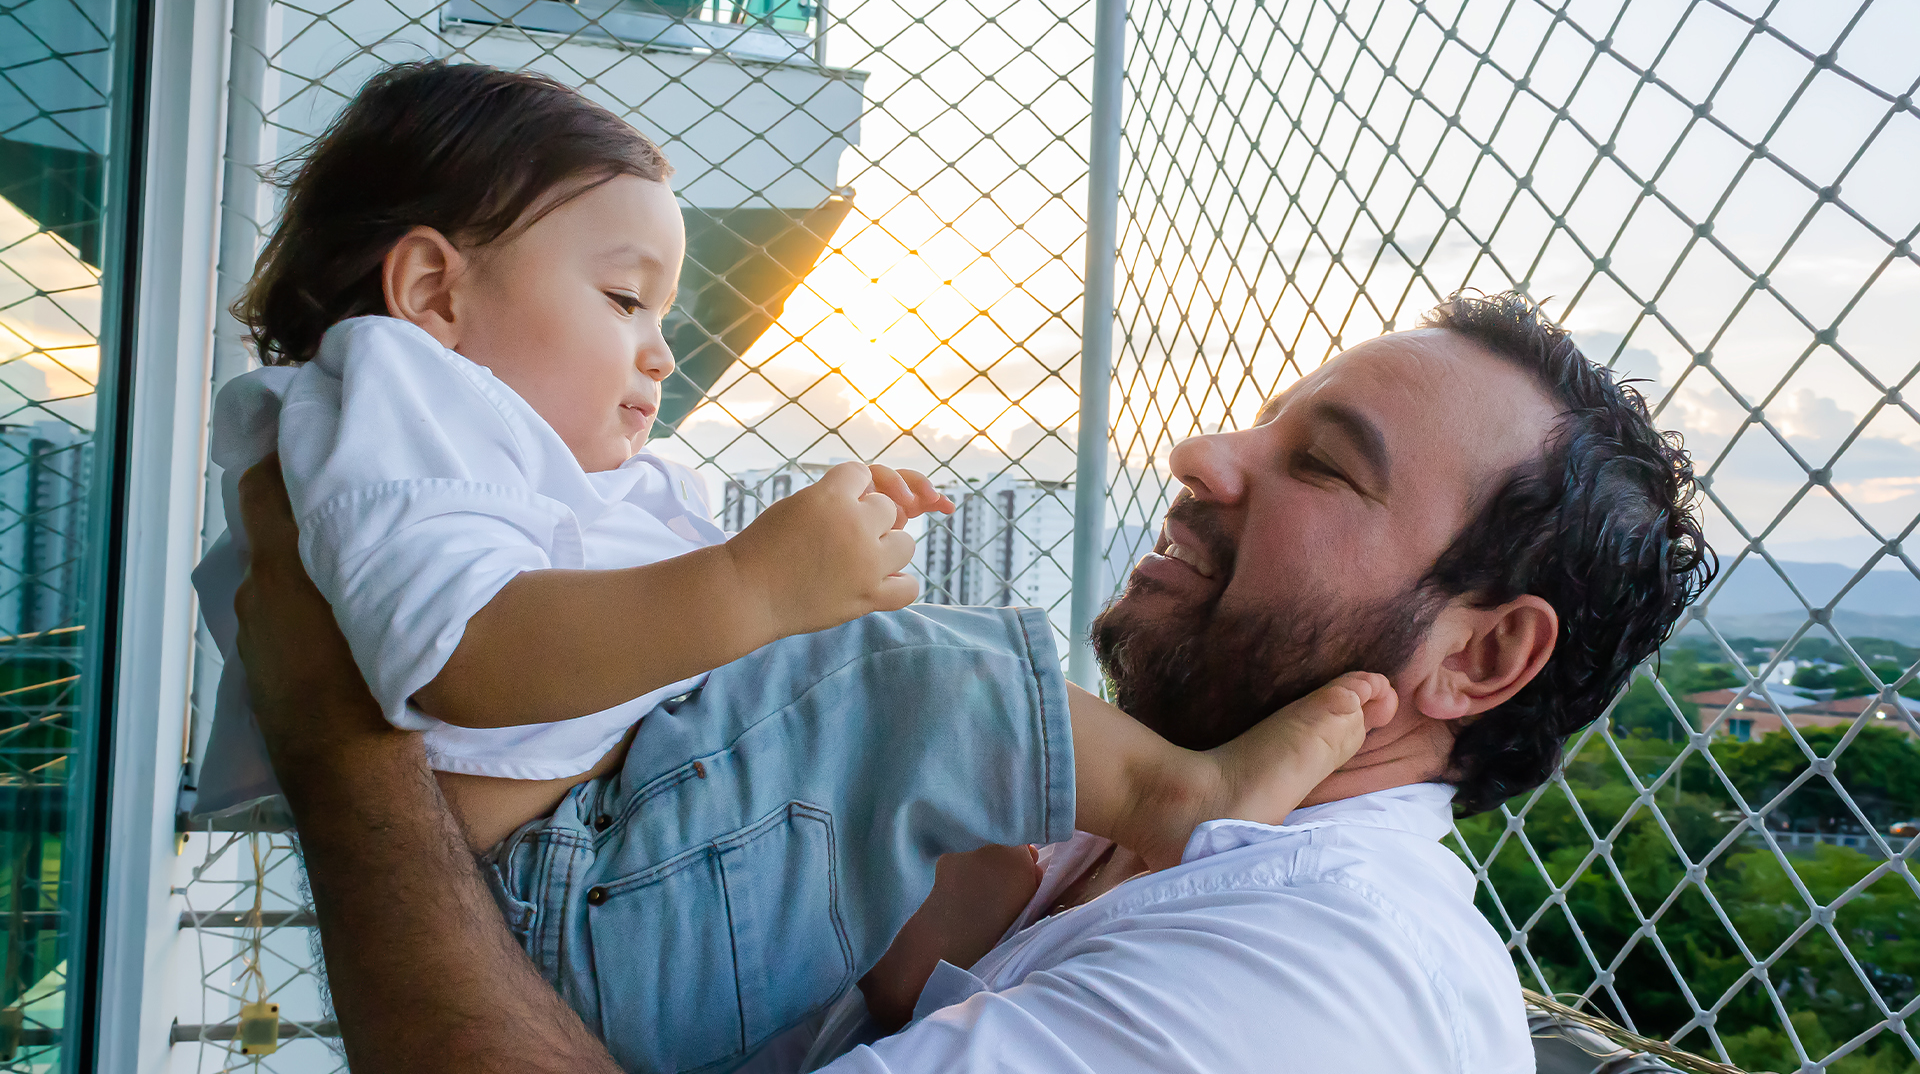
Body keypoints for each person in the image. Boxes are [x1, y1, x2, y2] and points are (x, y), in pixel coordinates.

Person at [193, 60, 1398, 1074]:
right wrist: (754, 591)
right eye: (622, 298)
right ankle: (1180, 797)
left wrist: (787, 605)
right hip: (564, 895)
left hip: (601, 877)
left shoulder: (466, 446)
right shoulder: (395, 399)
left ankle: (943, 949)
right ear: (429, 291)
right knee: (905, 680)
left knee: (879, 705)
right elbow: (454, 655)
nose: (659, 355)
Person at [231, 290, 1712, 1073]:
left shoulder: (1318, 993)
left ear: (1480, 655)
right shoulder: (1096, 832)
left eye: (1321, 465)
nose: (1203, 460)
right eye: (1263, 426)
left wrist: (347, 741)